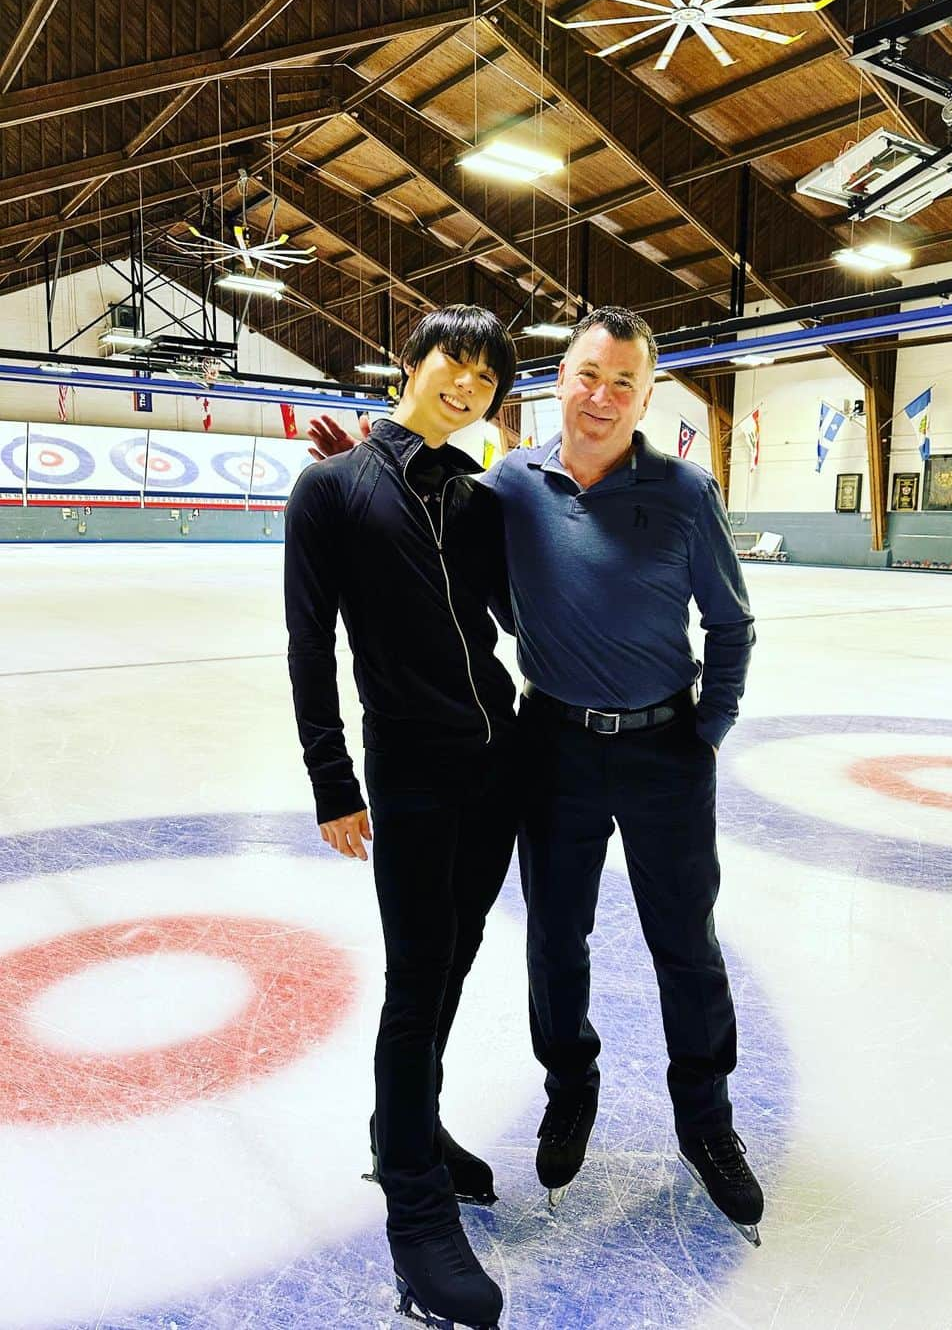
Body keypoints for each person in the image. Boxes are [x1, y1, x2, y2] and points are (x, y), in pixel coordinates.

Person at [308, 305, 764, 1247]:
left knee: (686, 941)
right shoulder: (509, 483)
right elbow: (427, 543)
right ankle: (570, 1093)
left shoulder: (683, 491)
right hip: (552, 746)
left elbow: (732, 623)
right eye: (588, 375)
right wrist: (362, 469)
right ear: (561, 378)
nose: (602, 397)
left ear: (647, 393)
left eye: (624, 383)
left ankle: (707, 1123)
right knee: (556, 940)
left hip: (664, 749)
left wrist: (705, 731)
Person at [284, 304, 518, 1329]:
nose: (469, 386)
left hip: (498, 767)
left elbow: (521, 617)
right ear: (412, 368)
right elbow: (309, 647)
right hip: (412, 772)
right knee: (416, 977)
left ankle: (405, 1127)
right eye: (455, 366)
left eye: (489, 380)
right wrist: (334, 781)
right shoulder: (330, 488)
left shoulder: (475, 494)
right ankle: (415, 1212)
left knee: (457, 959)